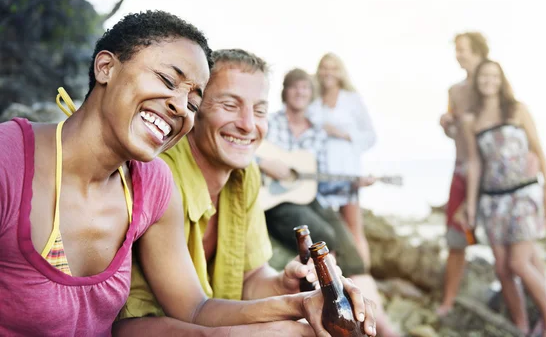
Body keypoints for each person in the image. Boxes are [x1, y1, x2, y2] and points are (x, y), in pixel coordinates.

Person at [114, 50, 377, 337]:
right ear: (195, 107)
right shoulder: (160, 173)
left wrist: (284, 284)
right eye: (230, 105)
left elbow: (249, 278)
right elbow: (186, 311)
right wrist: (296, 307)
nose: (248, 124)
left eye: (260, 110)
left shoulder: (246, 174)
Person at [0, 10, 211, 335]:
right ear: (106, 68)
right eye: (168, 81)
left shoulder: (153, 183)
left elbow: (195, 309)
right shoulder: (8, 161)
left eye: (194, 105)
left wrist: (295, 305)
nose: (181, 107)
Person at [261, 68, 400, 337]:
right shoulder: (270, 122)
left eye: (305, 88)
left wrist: (352, 184)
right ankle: (336, 312)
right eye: (294, 87)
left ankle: (380, 325)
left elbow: (318, 181)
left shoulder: (318, 134)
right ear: (285, 92)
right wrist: (264, 163)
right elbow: (245, 150)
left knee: (350, 250)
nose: (300, 92)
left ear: (311, 94)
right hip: (274, 202)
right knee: (322, 237)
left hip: (307, 198)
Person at [462, 59, 546, 337]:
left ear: (501, 79)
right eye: (483, 76)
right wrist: (471, 206)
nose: (488, 81)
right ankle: (522, 326)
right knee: (503, 268)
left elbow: (538, 149)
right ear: (477, 81)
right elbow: (474, 162)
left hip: (523, 193)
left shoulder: (517, 110)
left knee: (519, 263)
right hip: (492, 201)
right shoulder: (472, 119)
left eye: (494, 76)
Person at [437, 32, 488, 316]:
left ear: (479, 51)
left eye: (463, 50)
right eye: (456, 49)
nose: (458, 54)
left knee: (507, 247)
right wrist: (446, 124)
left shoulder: (492, 84)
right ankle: (448, 301)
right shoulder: (454, 91)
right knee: (456, 239)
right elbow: (456, 132)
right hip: (461, 170)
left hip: (491, 175)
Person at [308, 53, 376, 268]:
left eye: (333, 68)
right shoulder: (313, 101)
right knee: (328, 230)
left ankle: (363, 278)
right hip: (320, 174)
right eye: (324, 67)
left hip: (347, 172)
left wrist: (343, 134)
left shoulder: (351, 100)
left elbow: (370, 136)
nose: (328, 72)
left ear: (340, 72)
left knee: (353, 228)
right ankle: (339, 278)